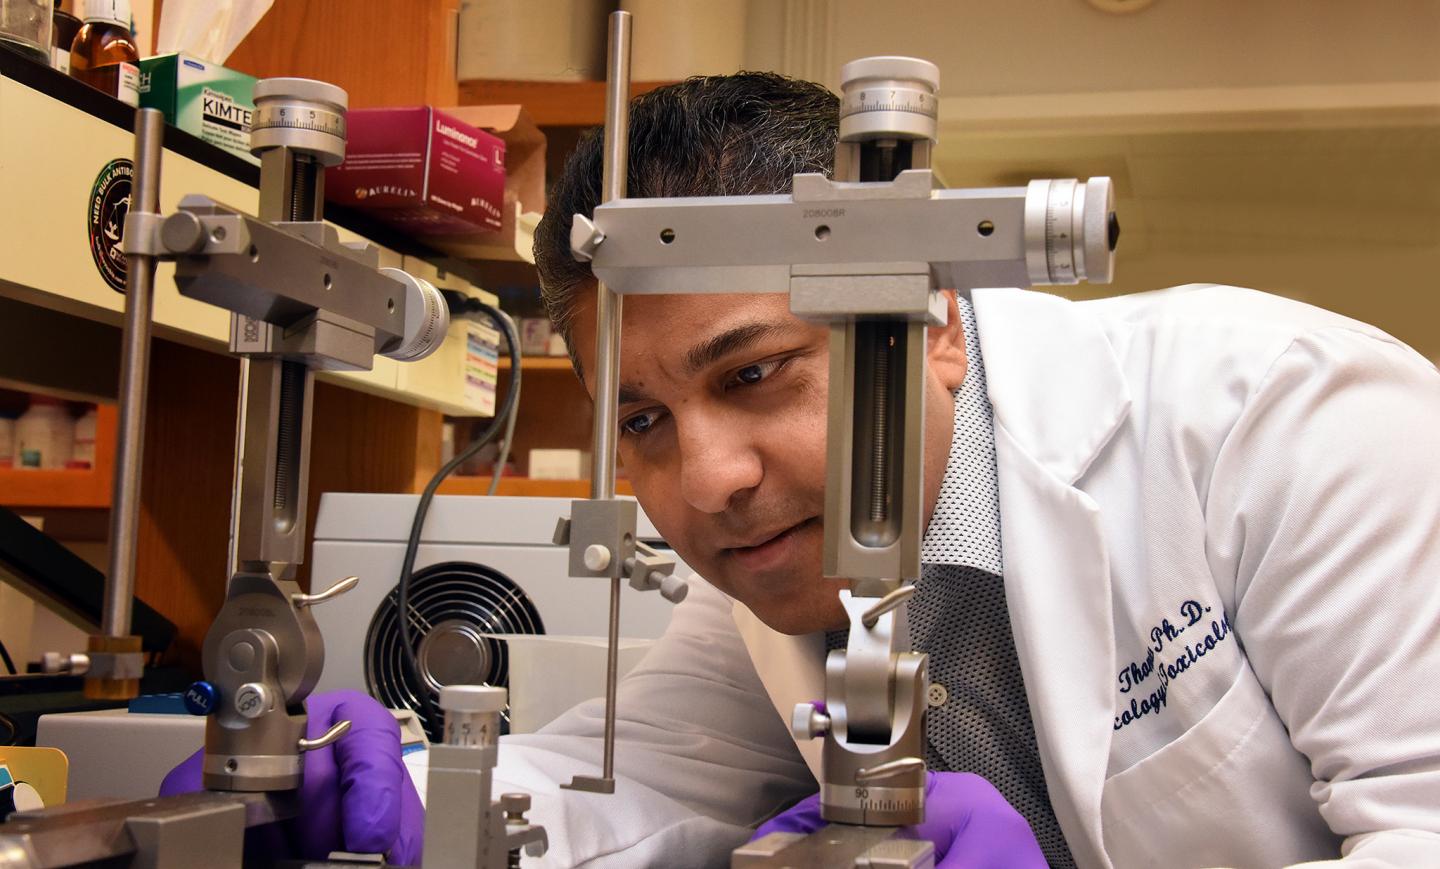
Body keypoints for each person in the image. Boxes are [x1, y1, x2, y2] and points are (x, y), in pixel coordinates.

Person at [165, 72, 1440, 867]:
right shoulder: (780, 581)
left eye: (754, 371)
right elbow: (652, 780)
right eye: (643, 420)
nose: (707, 479)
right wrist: (398, 801)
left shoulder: (1288, 421)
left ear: (935, 319)